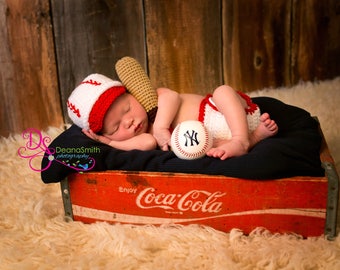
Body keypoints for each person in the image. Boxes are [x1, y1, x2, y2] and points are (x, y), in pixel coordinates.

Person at [67, 74, 278, 160]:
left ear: (131, 94)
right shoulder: (143, 136)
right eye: (115, 127)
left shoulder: (155, 101)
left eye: (127, 109)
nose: (129, 121)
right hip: (217, 141)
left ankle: (241, 139)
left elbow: (172, 97)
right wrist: (111, 142)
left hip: (226, 112)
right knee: (213, 149)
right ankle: (254, 138)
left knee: (222, 91)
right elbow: (148, 143)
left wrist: (160, 126)